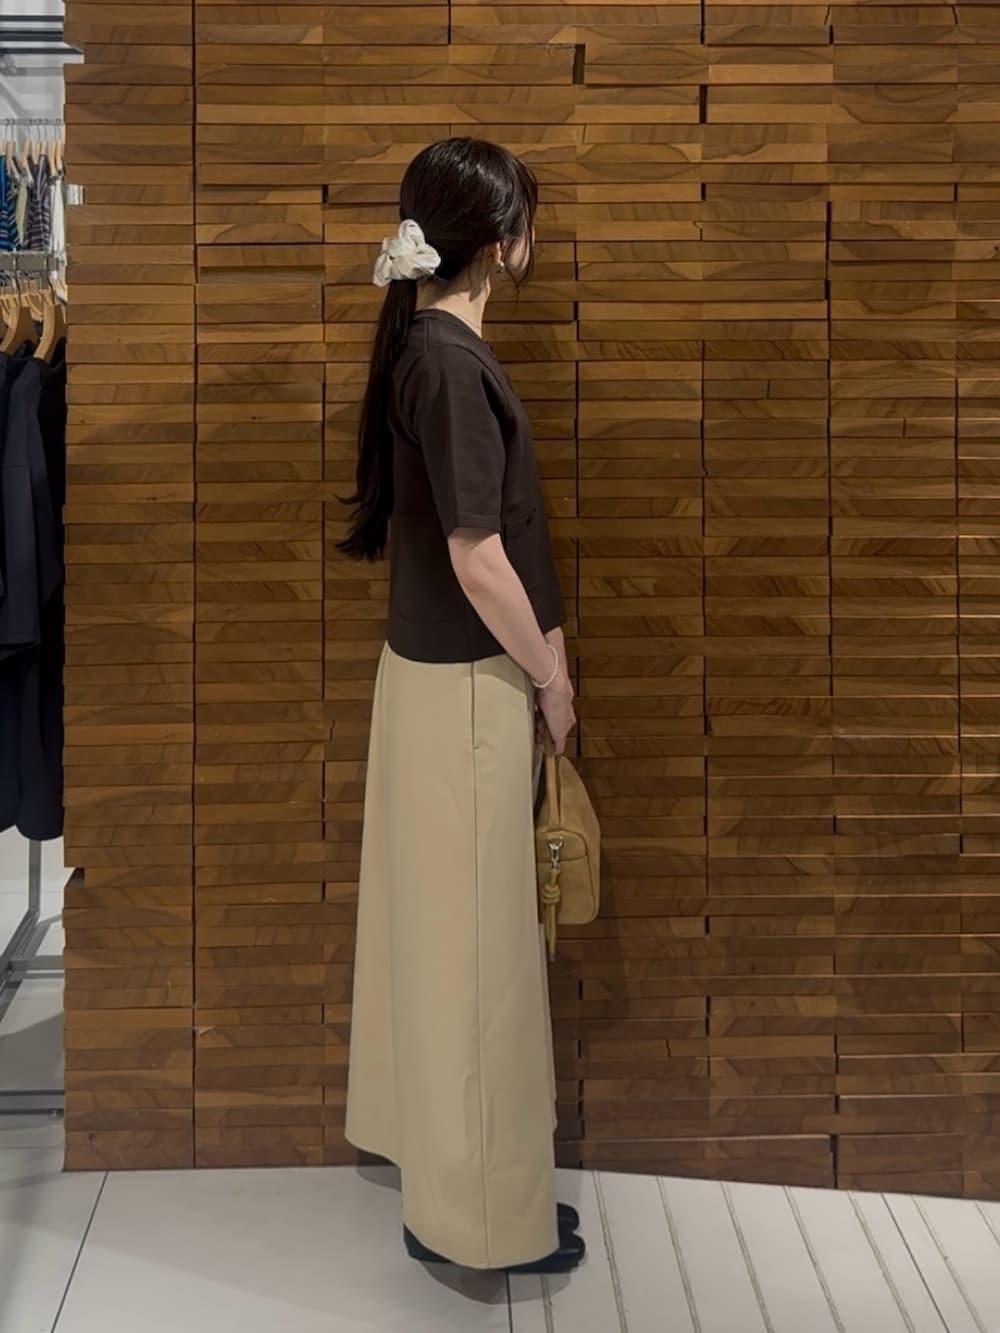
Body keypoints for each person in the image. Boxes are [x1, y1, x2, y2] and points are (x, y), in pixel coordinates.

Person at [338, 137, 584, 1275]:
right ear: (499, 242)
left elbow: (491, 542)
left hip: (437, 688)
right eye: (526, 223)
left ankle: (455, 1189)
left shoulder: (430, 349)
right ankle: (480, 1220)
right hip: (467, 697)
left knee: (442, 949)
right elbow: (479, 556)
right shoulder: (447, 362)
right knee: (479, 964)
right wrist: (549, 675)